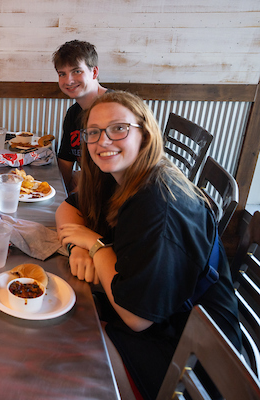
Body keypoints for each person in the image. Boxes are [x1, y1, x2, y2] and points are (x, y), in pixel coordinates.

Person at [55, 91, 241, 399]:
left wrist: (96, 246)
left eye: (118, 128)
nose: (103, 141)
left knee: (68, 345)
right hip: (160, 320)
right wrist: (78, 248)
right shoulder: (116, 173)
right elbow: (68, 208)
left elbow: (136, 317)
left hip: (193, 361)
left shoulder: (158, 203)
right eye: (93, 132)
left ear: (145, 134)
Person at [53, 40, 108, 193]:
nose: (68, 80)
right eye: (62, 74)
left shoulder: (115, 110)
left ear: (94, 72)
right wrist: (60, 193)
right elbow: (65, 160)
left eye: (77, 71)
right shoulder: (73, 113)